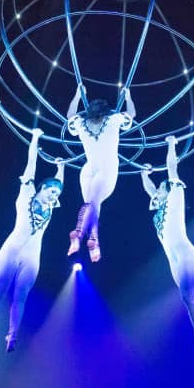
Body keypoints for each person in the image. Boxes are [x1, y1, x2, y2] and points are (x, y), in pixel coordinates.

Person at [0, 128, 64, 354]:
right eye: (52, 191)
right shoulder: (27, 193)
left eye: (57, 193)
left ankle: (12, 334)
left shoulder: (51, 207)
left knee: (21, 295)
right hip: (13, 249)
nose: (55, 195)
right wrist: (35, 138)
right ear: (42, 188)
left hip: (32, 256)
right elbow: (31, 163)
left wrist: (61, 167)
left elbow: (60, 182)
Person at [140, 135, 194, 358]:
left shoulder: (175, 195)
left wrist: (171, 145)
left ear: (168, 189)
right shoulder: (161, 206)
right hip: (174, 258)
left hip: (185, 253)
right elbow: (150, 190)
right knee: (190, 297)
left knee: (188, 295)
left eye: (160, 189)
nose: (156, 193)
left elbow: (172, 168)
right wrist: (144, 175)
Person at [66, 84, 136, 262]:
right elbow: (132, 114)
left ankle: (87, 237)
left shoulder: (81, 124)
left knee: (91, 204)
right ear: (106, 111)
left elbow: (69, 116)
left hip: (89, 169)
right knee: (94, 205)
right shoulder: (114, 120)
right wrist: (128, 97)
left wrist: (77, 95)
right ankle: (82, 234)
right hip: (107, 169)